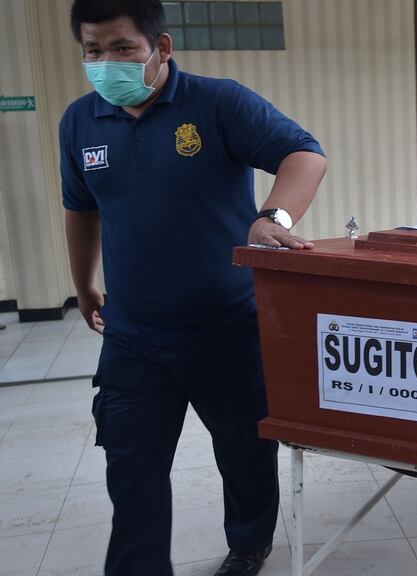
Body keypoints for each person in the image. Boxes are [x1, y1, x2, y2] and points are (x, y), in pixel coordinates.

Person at [60, 1, 327, 574]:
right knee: (131, 469)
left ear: (161, 47)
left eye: (122, 48)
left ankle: (249, 545)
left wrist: (272, 218)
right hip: (134, 337)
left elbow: (304, 154)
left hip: (227, 327)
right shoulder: (80, 123)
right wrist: (83, 283)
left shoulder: (217, 102)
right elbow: (80, 209)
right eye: (93, 50)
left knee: (245, 454)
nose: (106, 62)